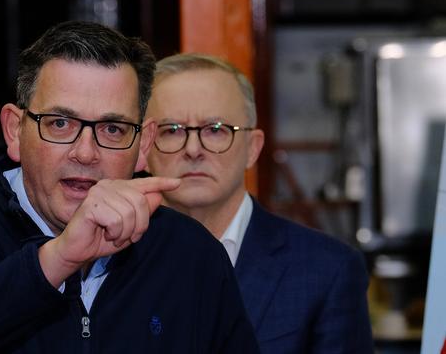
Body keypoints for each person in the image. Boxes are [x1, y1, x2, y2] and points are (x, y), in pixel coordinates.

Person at [0, 22, 259, 354]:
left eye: (113, 129)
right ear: (14, 131)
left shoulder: (189, 254)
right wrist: (56, 260)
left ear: (143, 146)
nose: (86, 152)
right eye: (60, 123)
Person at [145, 53, 374, 353]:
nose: (193, 149)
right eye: (171, 130)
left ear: (252, 149)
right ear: (143, 149)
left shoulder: (328, 270)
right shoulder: (110, 261)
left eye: (215, 130)